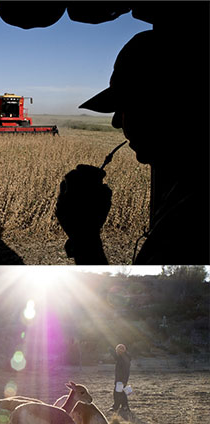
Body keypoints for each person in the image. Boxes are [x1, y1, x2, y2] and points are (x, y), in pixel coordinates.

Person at [55, 30, 209, 265]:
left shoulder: (192, 214)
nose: (116, 121)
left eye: (125, 106)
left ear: (165, 103)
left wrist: (84, 236)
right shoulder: (186, 187)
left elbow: (114, 304)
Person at [109, 343, 131, 418]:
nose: (117, 352)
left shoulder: (124, 358)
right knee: (120, 393)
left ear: (121, 351)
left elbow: (126, 371)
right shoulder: (122, 357)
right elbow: (116, 358)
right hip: (120, 379)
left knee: (118, 393)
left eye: (117, 350)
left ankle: (118, 407)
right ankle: (123, 407)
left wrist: (124, 381)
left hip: (121, 379)